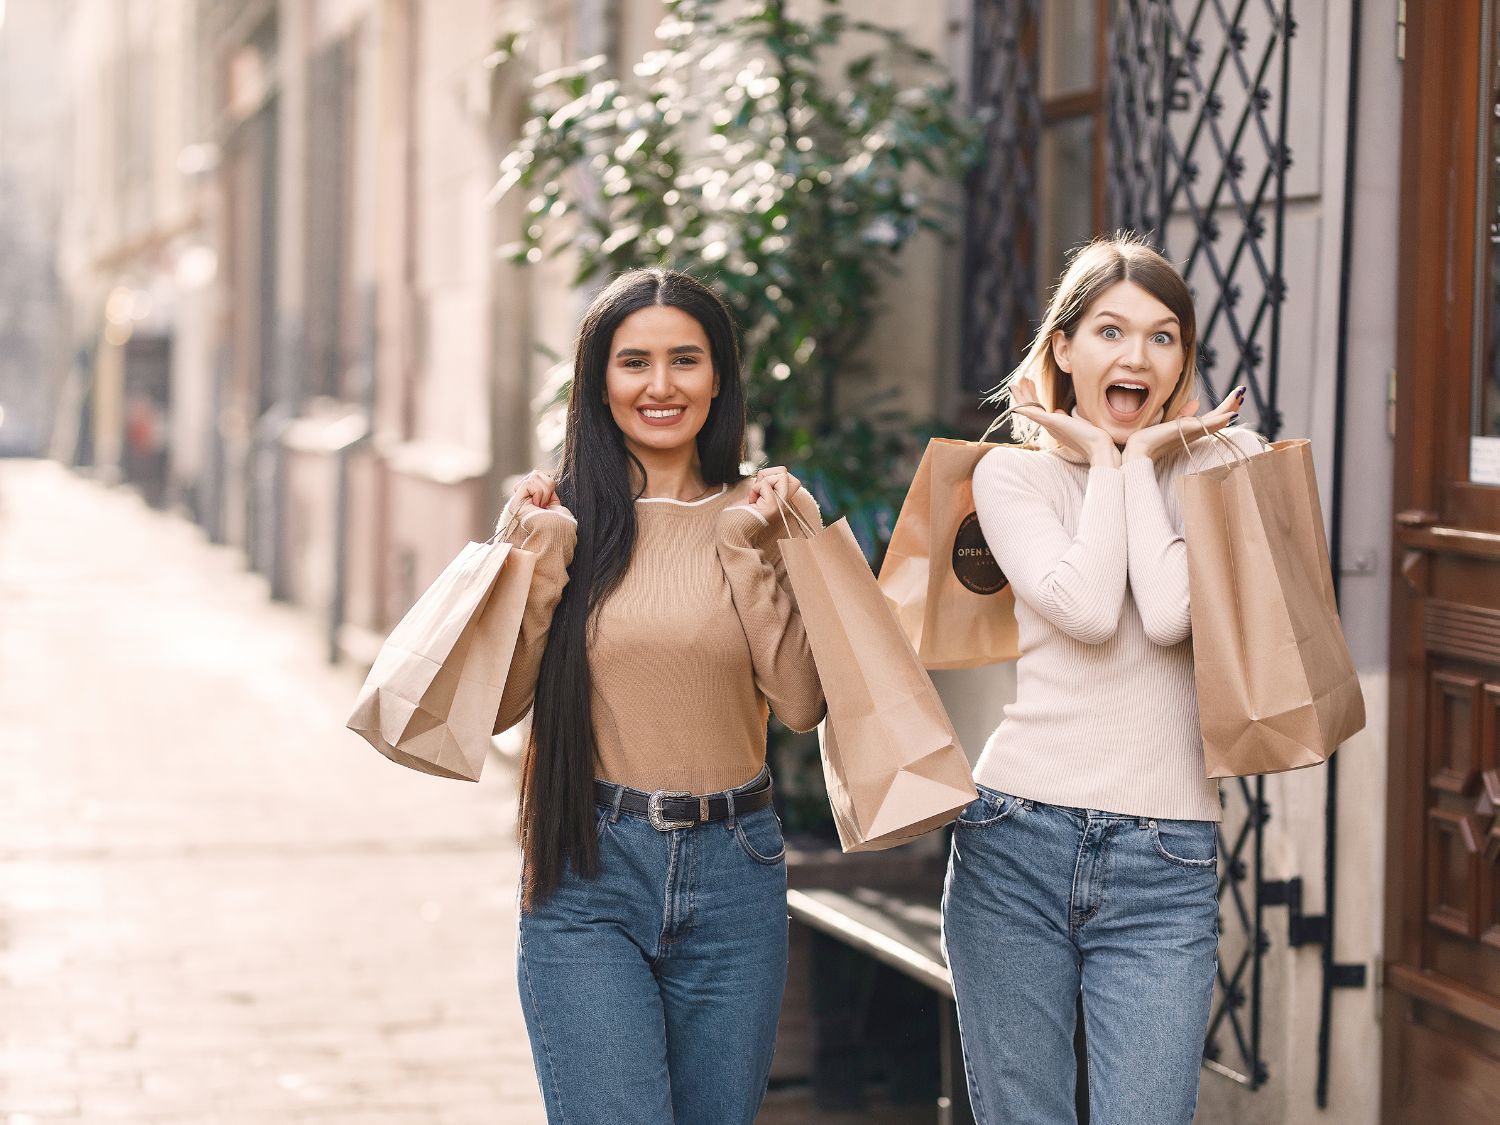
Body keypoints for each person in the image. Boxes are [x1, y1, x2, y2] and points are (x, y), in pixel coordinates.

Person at [492, 267, 825, 1124]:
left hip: (735, 871)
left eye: (686, 359)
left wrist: (751, 546)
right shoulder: (559, 515)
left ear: (719, 377)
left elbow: (799, 703)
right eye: (634, 361)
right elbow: (499, 705)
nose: (661, 385)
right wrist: (536, 557)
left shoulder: (760, 512)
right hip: (587, 869)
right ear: (601, 380)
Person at [941, 232, 1261, 1124]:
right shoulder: (1011, 474)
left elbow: (1164, 612)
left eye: (1164, 337)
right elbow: (1084, 606)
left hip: (1167, 857)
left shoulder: (1223, 464)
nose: (1138, 355)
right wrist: (1118, 463)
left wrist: (1138, 461)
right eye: (1112, 331)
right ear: (1065, 349)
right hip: (1015, 838)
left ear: (1183, 359)